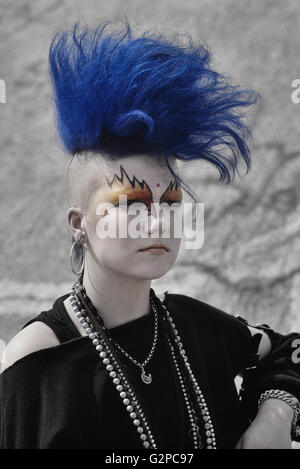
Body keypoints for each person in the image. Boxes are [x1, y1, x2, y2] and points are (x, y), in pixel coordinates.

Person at [0, 20, 300, 450]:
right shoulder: (40, 358)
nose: (157, 221)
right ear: (78, 224)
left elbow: (288, 351)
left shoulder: (193, 325)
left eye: (171, 203)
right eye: (130, 204)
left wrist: (275, 415)